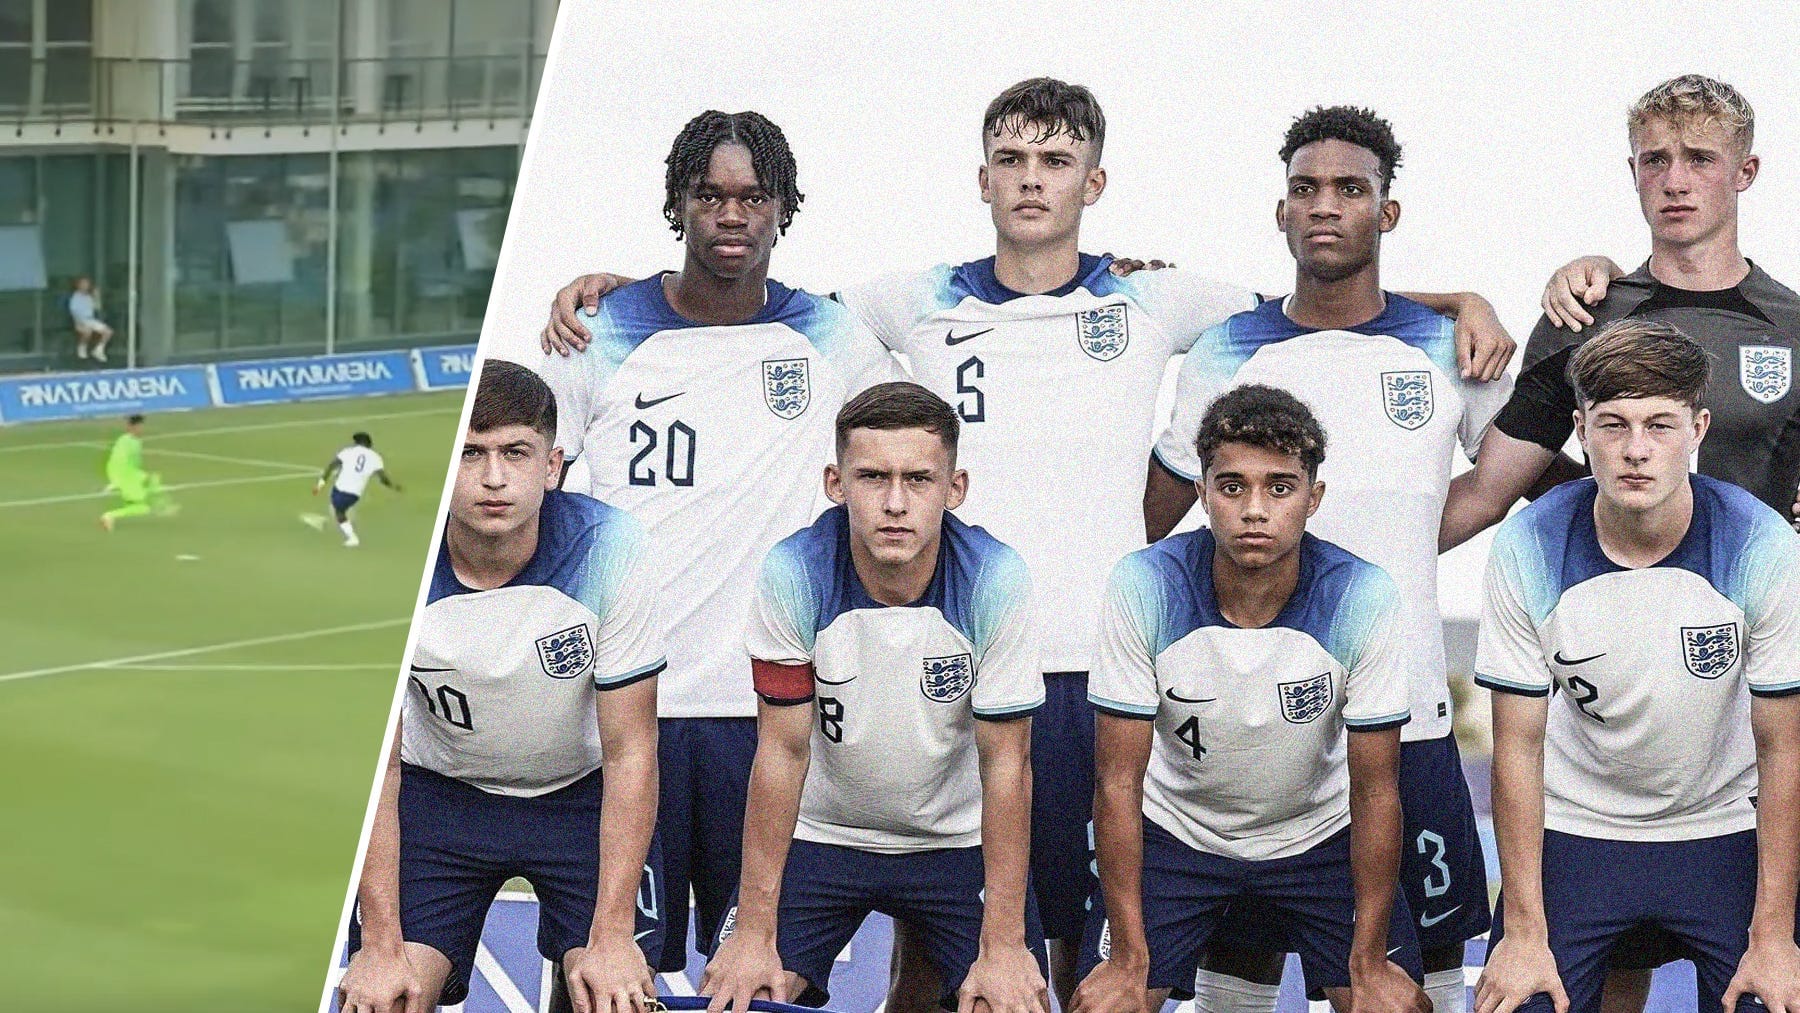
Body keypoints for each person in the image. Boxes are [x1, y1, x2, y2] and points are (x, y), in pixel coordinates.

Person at [541, 80, 1513, 1010]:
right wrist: (635, 287)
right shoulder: (903, 302)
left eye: (1057, 158)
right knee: (882, 958)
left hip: (1102, 683)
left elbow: (1319, 292)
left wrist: (1454, 299)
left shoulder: (1157, 302)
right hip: (930, 680)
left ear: (1092, 182)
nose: (1033, 176)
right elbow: (738, 292)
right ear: (983, 178)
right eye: (1012, 157)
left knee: (1080, 968)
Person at [1142, 106, 1506, 1012]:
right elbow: (1158, 526)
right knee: (1237, 989)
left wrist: (1403, 542)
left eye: (1351, 189)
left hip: (1411, 713)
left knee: (1417, 985)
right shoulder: (1230, 346)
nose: (1325, 206)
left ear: (1388, 213)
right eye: (1306, 189)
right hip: (1249, 731)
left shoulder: (1451, 348)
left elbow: (1503, 486)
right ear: (1281, 212)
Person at [532, 109, 901, 983]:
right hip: (628, 713)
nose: (731, 214)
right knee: (602, 971)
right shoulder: (597, 335)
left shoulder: (832, 338)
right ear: (679, 205)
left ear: (782, 209)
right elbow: (528, 497)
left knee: (765, 977)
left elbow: (906, 471)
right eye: (710, 195)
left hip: (768, 716)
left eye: (752, 196)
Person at [1472, 318, 1800, 1013]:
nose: (1636, 450)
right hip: (1580, 828)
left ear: (1699, 428)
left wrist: (1773, 936)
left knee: (1777, 997)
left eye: (1659, 424)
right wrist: (1525, 931)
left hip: (1720, 827)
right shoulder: (1530, 544)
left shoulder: (1759, 543)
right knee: (1516, 1000)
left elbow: (1783, 747)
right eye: (1613, 424)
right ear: (1580, 429)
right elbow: (1517, 746)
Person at [1073, 384, 1426, 1013]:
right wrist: (1129, 956)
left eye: (1280, 487)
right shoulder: (1145, 582)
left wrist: (1368, 958)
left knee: (1391, 1007)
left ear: (1314, 498)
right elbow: (1117, 783)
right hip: (1177, 836)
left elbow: (1377, 791)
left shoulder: (1362, 595)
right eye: (1232, 487)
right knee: (1107, 1005)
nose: (1255, 509)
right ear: (1204, 493)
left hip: (1318, 839)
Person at [700, 382, 1049, 1013]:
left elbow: (1008, 766)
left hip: (955, 843)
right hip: (821, 835)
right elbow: (780, 753)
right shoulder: (795, 569)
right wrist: (753, 932)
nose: (894, 503)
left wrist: (1003, 944)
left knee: (1009, 1002)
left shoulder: (996, 577)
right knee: (743, 996)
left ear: (956, 488)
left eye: (919, 480)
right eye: (871, 477)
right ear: (835, 483)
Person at [337, 360, 666, 1013]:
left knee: (612, 997)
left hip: (583, 798)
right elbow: (376, 762)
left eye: (516, 452)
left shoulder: (611, 546)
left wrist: (608, 939)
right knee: (384, 1000)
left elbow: (631, 751)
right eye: (469, 452)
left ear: (552, 465)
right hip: (441, 797)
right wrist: (379, 943)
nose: (493, 477)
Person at [1443, 74, 1800, 553]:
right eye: (1656, 161)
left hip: (1763, 612)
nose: (1675, 183)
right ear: (1634, 170)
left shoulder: (1791, 326)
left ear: (1745, 171)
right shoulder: (1581, 319)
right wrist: (1322, 562)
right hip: (1616, 610)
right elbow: (1486, 496)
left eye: (1700, 159)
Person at [311, 432, 400, 548]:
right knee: (340, 508)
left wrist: (320, 484)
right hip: (355, 493)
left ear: (356, 442)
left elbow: (331, 466)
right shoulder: (376, 457)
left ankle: (352, 537)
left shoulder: (348, 452)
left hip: (340, 488)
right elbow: (383, 478)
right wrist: (393, 486)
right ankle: (343, 524)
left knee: (339, 512)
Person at [100, 413, 175, 530]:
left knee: (152, 479)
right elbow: (118, 462)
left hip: (131, 474)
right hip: (125, 476)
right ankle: (109, 516)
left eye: (141, 426)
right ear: (131, 427)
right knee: (142, 507)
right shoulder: (125, 442)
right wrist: (116, 481)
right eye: (138, 426)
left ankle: (161, 505)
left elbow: (134, 463)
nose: (141, 429)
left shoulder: (135, 441)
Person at [69, 276, 113, 363]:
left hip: (91, 320)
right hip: (80, 321)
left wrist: (96, 297)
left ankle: (98, 350)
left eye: (87, 284)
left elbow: (97, 308)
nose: (86, 286)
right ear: (79, 285)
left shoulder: (89, 297)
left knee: (108, 332)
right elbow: (74, 311)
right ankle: (82, 349)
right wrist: (79, 323)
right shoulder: (75, 297)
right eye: (83, 284)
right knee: (87, 331)